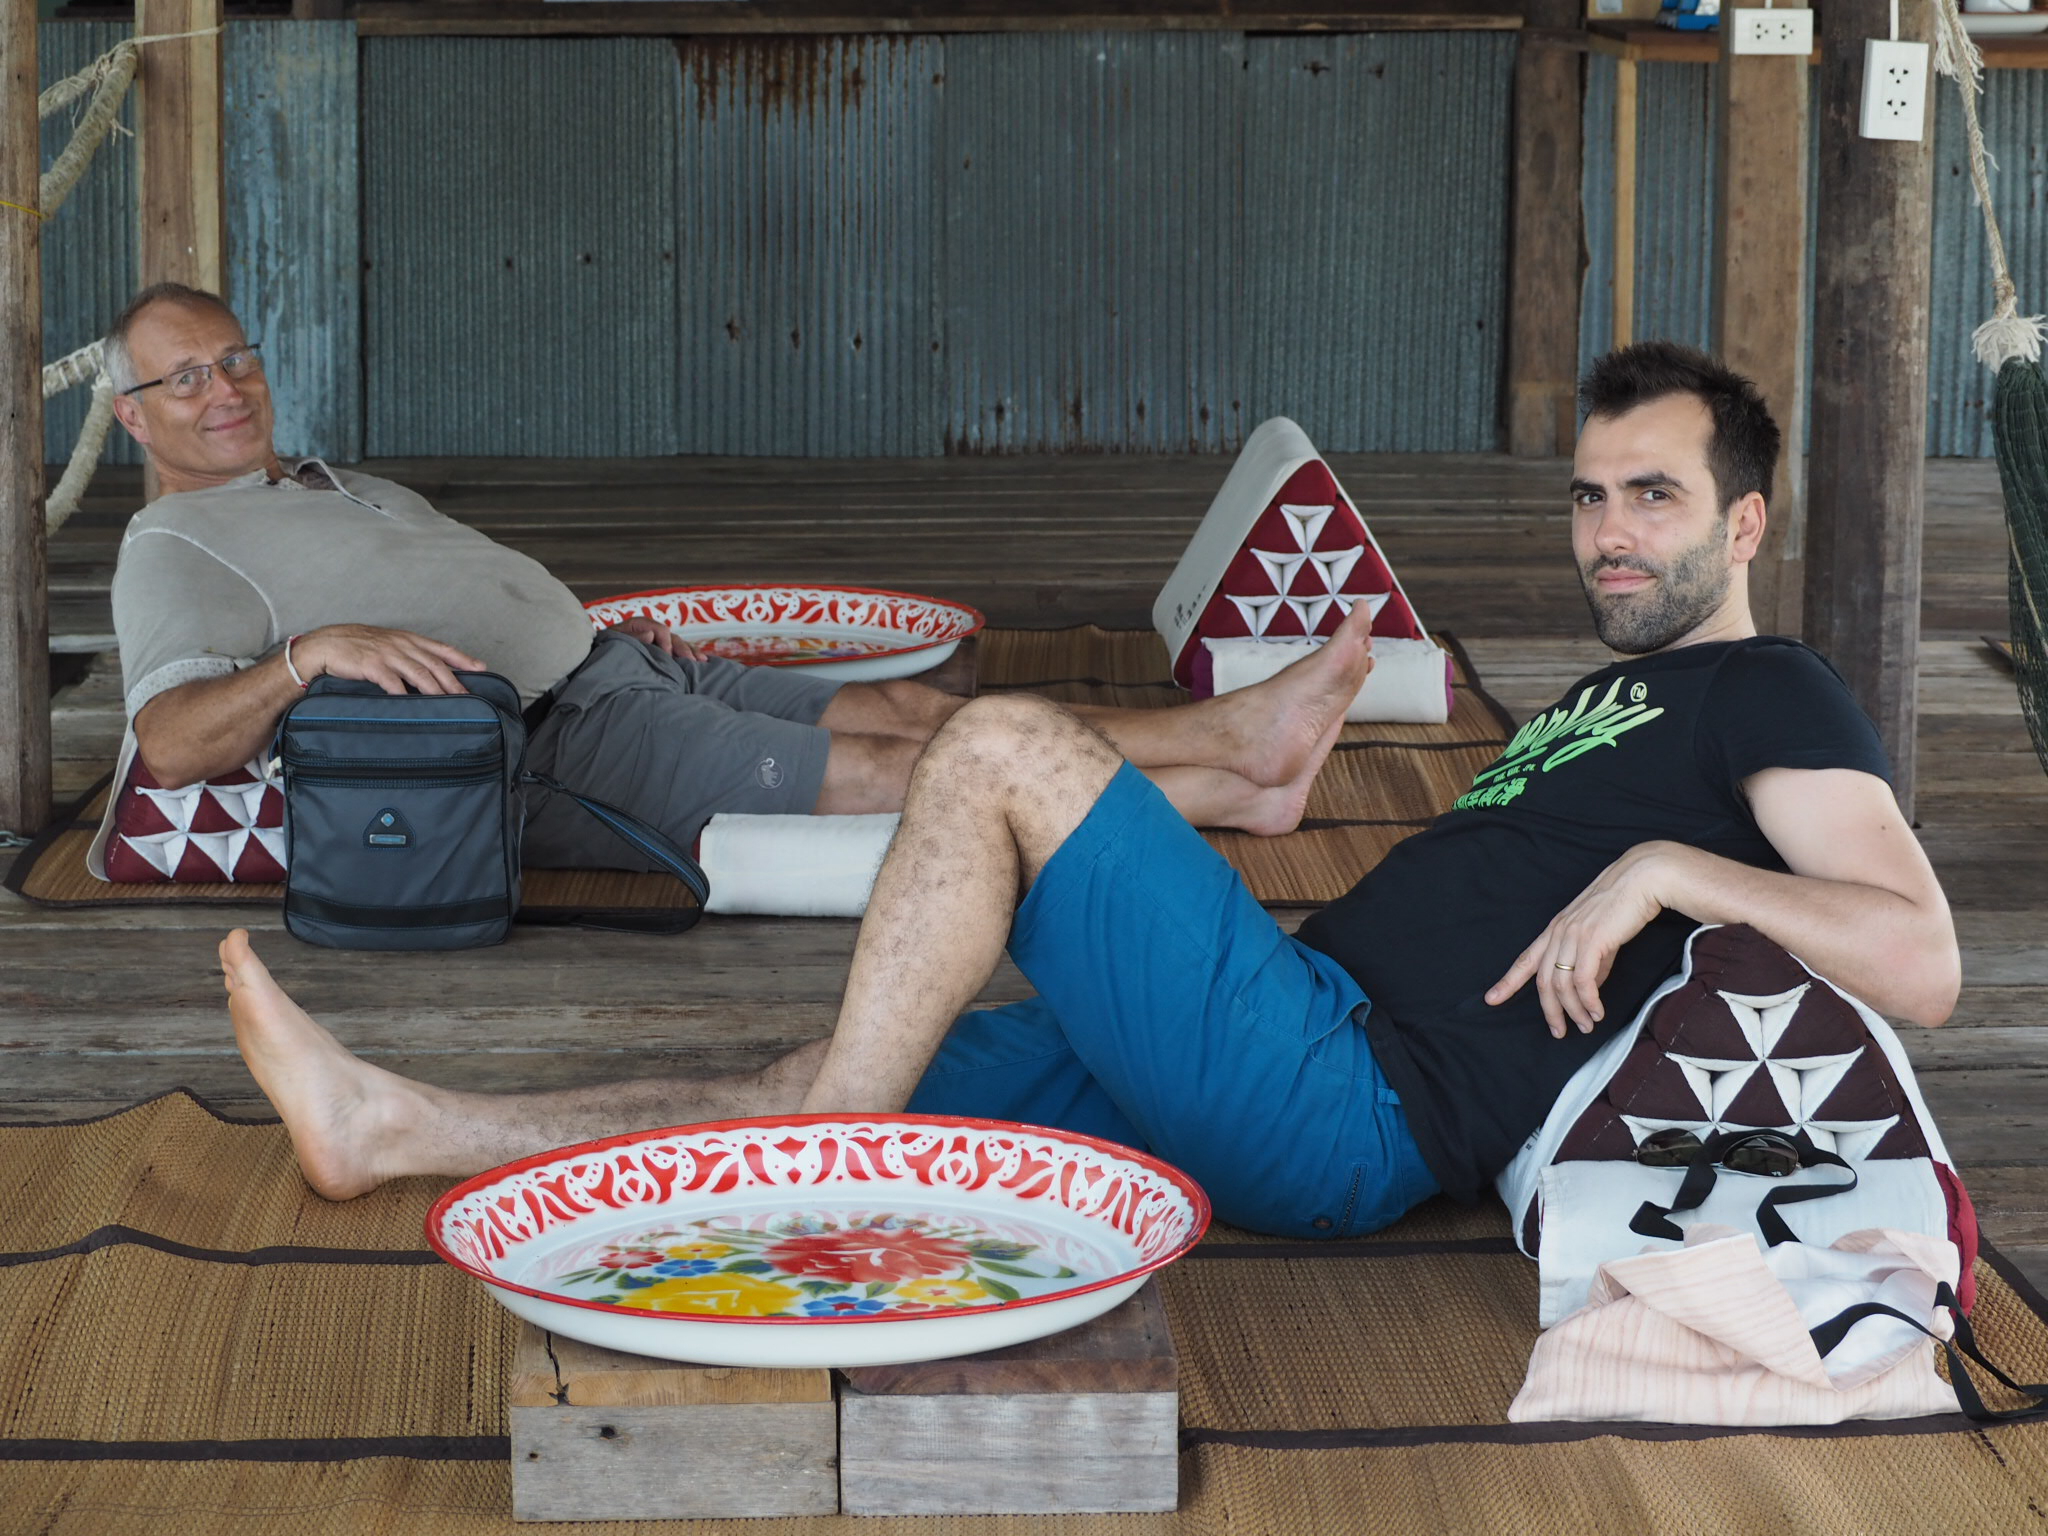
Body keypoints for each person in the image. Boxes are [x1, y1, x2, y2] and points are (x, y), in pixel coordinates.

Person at [219, 341, 1959, 1235]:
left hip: (1347, 1099)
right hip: (1283, 1016)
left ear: (1743, 523)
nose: (1608, 534)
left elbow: (1919, 959)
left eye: (1652, 499)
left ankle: (831, 1141)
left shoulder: (1768, 687)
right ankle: (403, 1132)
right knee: (833, 1070)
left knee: (1003, 744)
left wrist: (1669, 870)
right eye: (1588, 497)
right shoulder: (1602, 697)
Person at [93, 282, 1365, 879]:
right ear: (135, 418)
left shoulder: (321, 479)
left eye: (236, 359)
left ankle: (1229, 757)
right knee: (887, 776)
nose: (226, 389)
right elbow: (169, 744)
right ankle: (1220, 775)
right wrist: (307, 654)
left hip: (615, 671)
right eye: (185, 378)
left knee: (915, 711)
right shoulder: (172, 546)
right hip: (546, 747)